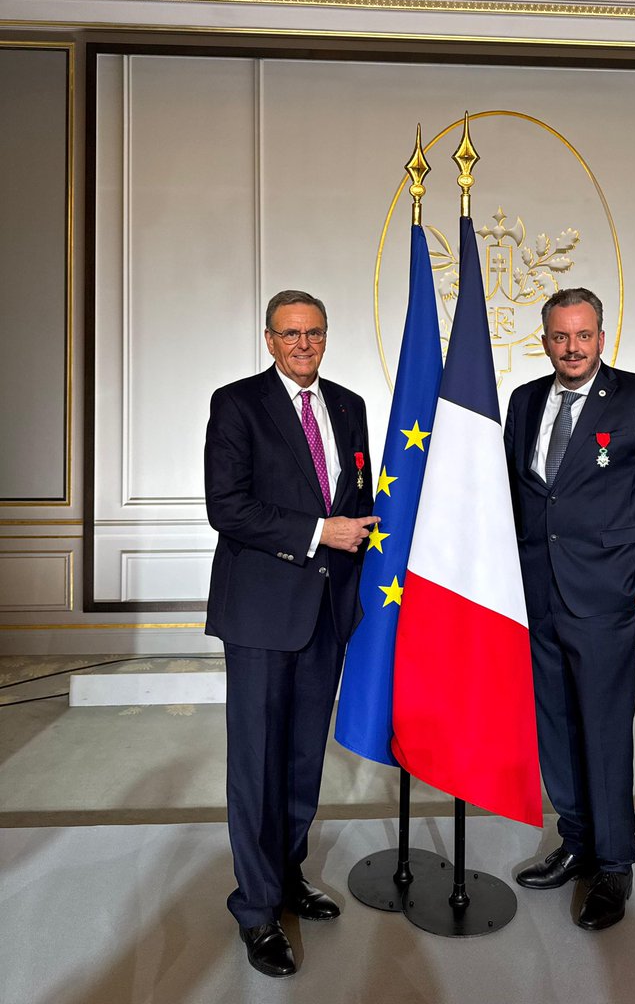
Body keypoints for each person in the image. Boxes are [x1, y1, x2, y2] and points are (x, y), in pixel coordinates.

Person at [504, 286, 635, 930]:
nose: (572, 348)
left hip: (606, 596)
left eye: (583, 336)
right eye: (560, 337)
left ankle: (614, 865)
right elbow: (517, 496)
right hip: (537, 594)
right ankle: (578, 840)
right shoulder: (525, 401)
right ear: (545, 339)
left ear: (601, 337)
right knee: (554, 726)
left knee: (605, 731)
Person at [205, 290, 377, 977]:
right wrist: (316, 534)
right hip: (262, 612)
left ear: (325, 337)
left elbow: (358, 500)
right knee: (257, 765)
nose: (303, 344)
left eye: (314, 333)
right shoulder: (237, 403)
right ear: (269, 340)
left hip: (328, 611)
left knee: (304, 760)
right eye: (290, 334)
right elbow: (228, 507)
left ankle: (286, 877)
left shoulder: (349, 405)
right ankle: (255, 910)